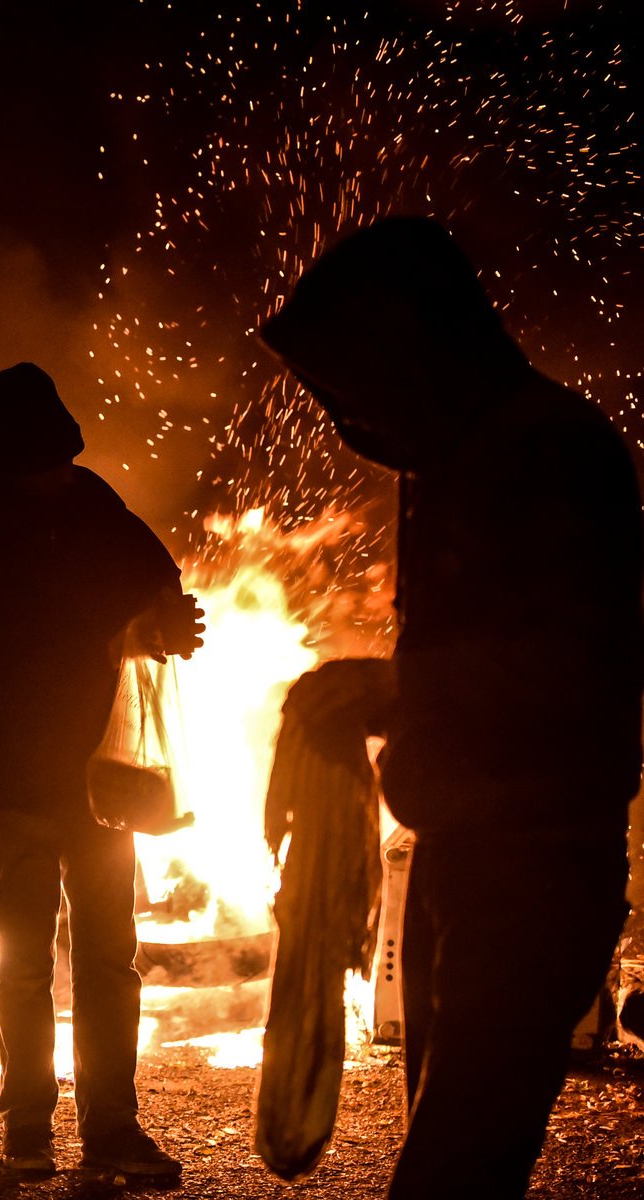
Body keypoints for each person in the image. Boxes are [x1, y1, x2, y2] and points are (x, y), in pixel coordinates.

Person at [258, 217, 644, 1199]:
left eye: (349, 378)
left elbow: (577, 661)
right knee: (446, 1143)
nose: (345, 407)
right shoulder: (455, 460)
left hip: (534, 867)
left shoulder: (550, 450)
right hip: (460, 861)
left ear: (407, 346)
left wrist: (393, 689)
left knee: (453, 1167)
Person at [0, 362, 203, 1179]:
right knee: (26, 963)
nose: (58, 477)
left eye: (64, 460)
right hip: (20, 784)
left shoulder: (92, 508)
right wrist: (120, 635)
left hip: (103, 784)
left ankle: (111, 1131)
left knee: (110, 960)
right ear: (4, 463)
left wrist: (165, 616)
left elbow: (153, 577)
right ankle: (27, 1132)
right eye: (42, 464)